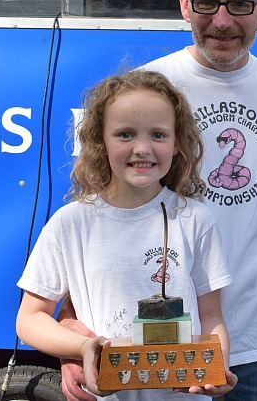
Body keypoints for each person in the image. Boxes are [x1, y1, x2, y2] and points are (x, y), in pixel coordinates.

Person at [60, 0, 257, 400]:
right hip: (163, 348)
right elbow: (95, 215)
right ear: (184, 4)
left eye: (239, 4)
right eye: (206, 3)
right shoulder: (143, 87)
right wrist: (73, 335)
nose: (221, 20)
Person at [16, 69, 236, 400]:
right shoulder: (71, 223)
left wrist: (217, 369)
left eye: (159, 135)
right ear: (99, 141)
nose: (142, 148)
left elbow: (211, 316)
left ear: (178, 144)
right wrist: (84, 346)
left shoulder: (195, 219)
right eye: (125, 134)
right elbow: (30, 319)